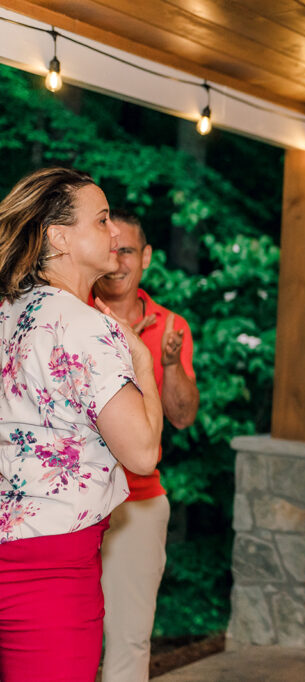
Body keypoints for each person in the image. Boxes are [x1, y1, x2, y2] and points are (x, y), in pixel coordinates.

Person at [0, 168, 162, 680]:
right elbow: (141, 453)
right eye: (102, 219)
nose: (116, 232)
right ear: (58, 237)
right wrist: (140, 362)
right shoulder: (85, 325)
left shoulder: (8, 311)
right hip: (50, 565)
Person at [91, 210, 199, 682]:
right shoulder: (73, 313)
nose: (117, 262)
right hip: (73, 500)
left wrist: (170, 364)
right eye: (111, 250)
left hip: (138, 502)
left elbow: (182, 416)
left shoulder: (171, 325)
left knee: (130, 638)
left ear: (147, 258)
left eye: (128, 251)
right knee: (66, 634)